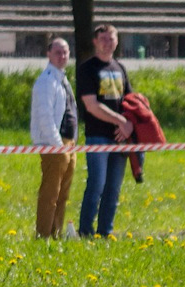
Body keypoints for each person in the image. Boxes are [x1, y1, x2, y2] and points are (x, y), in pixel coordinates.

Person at [76, 23, 133, 237]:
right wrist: (121, 121)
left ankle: (105, 233)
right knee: (96, 186)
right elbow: (92, 105)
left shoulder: (120, 68)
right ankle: (86, 232)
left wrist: (129, 126)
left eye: (112, 39)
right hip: (97, 136)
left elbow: (130, 102)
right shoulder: (87, 69)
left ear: (117, 42)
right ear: (95, 42)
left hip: (120, 139)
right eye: (103, 39)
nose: (108, 43)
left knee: (113, 190)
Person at [29, 37, 78, 238]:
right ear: (48, 54)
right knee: (50, 193)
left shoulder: (62, 79)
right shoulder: (46, 81)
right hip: (55, 145)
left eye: (65, 52)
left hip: (69, 144)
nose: (62, 56)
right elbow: (45, 117)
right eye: (58, 52)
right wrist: (57, 145)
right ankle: (44, 235)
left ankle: (56, 233)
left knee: (63, 194)